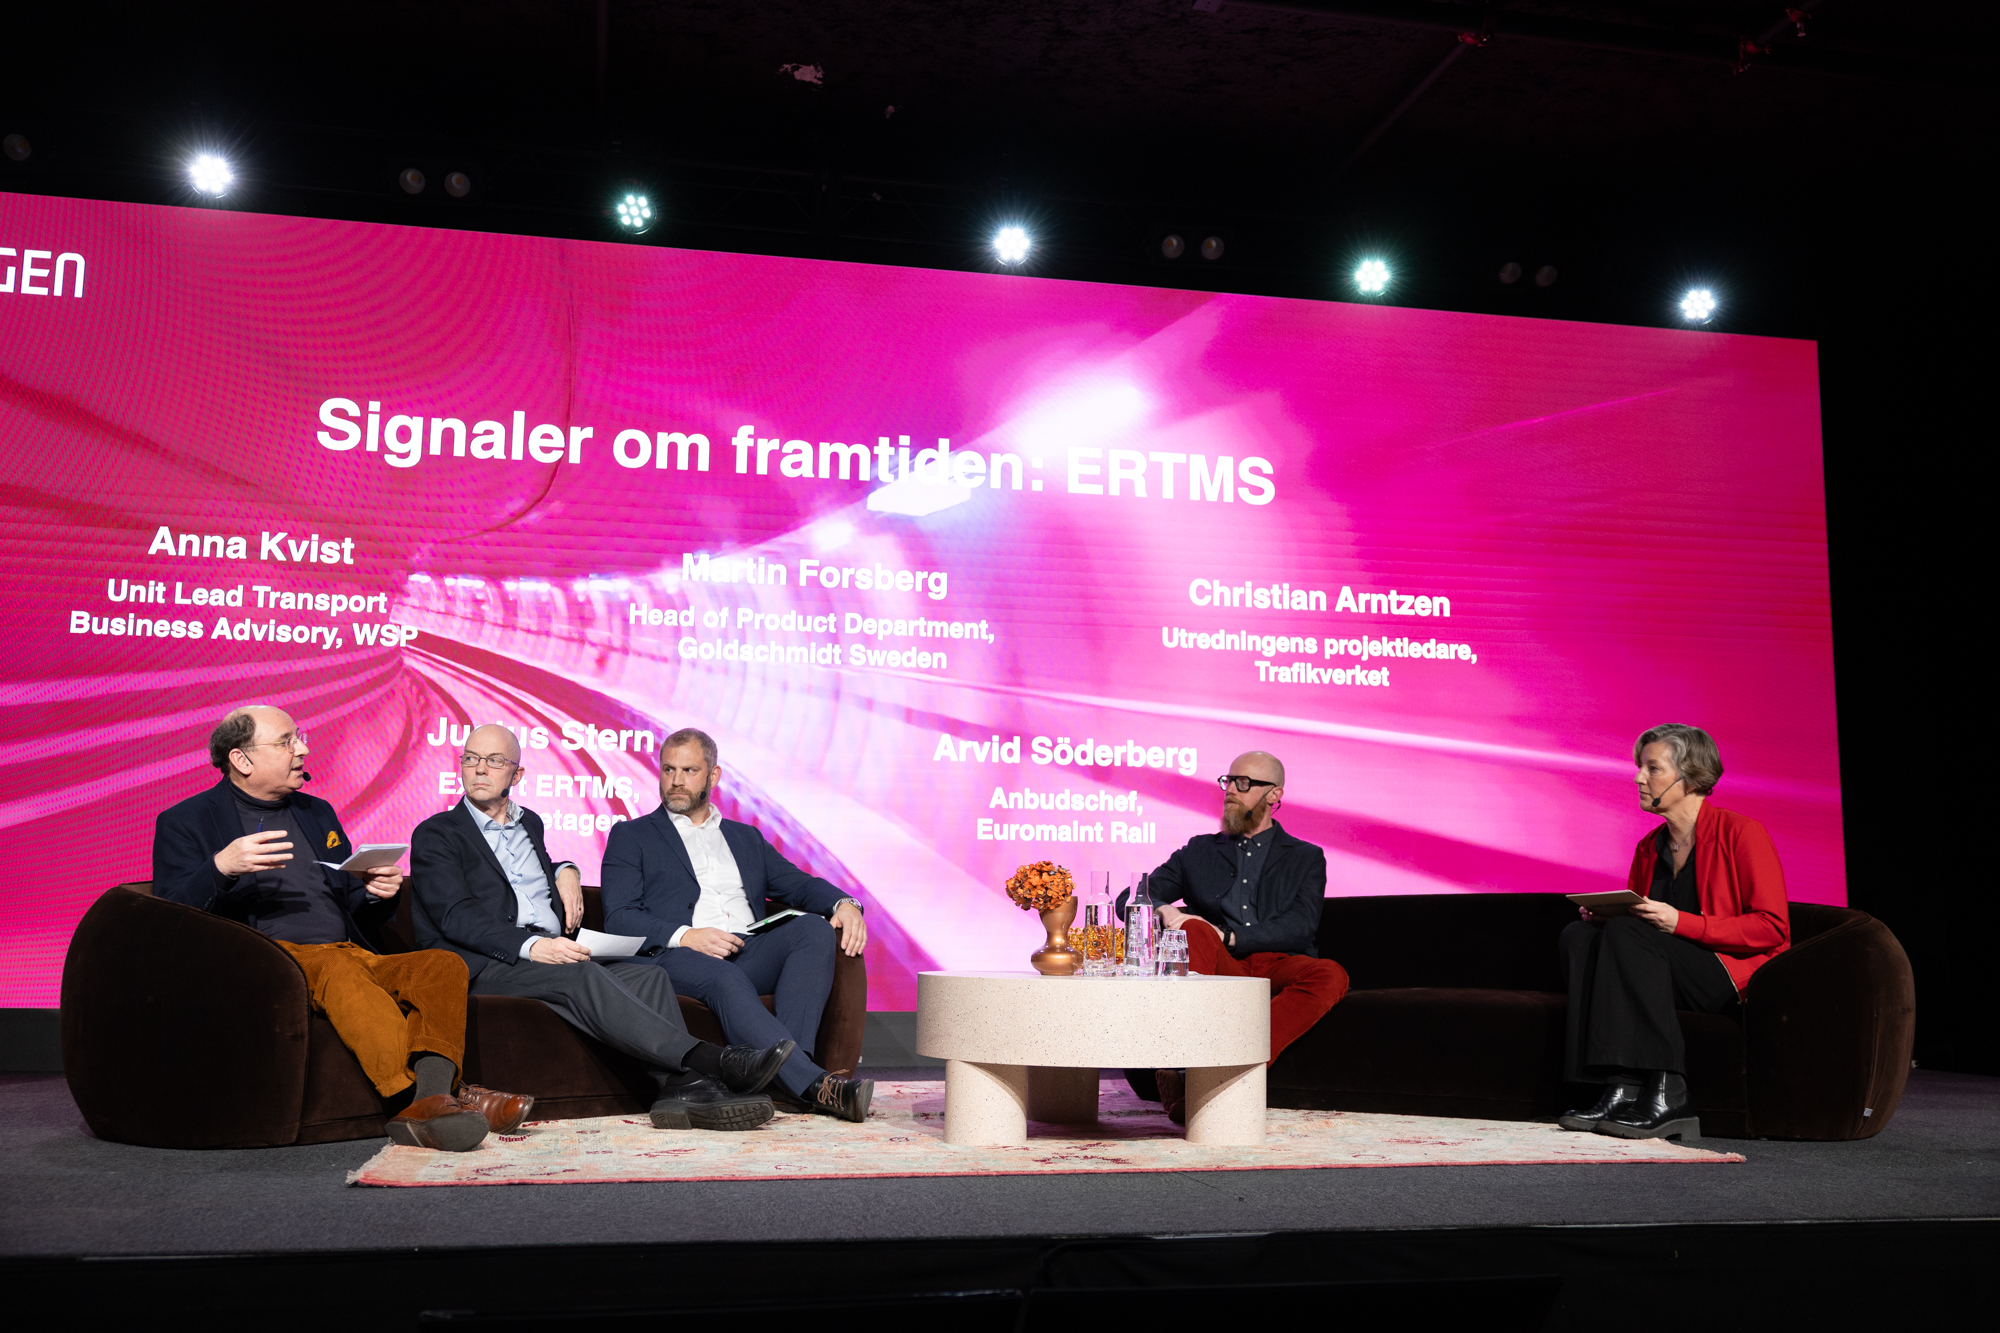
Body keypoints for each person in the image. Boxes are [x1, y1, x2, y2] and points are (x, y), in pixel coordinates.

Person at [153, 706, 529, 1152]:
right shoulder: (186, 820)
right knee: (337, 967)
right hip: (275, 961)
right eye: (287, 741)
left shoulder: (317, 812)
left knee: (442, 965)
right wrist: (221, 866)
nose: (302, 749)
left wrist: (373, 892)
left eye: (299, 737)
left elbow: (348, 897)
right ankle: (441, 1098)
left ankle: (431, 1101)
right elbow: (170, 918)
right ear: (242, 759)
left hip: (351, 951)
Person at [409, 725, 793, 1131]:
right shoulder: (437, 833)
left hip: (547, 950)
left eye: (494, 760)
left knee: (648, 975)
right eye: (471, 759)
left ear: (516, 775)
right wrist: (531, 945)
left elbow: (514, 879)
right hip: (487, 961)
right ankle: (713, 1062)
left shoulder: (530, 824)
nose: (480, 769)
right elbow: (456, 915)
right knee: (581, 974)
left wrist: (566, 869)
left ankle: (678, 1092)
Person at [601, 728, 874, 1123]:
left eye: (689, 770)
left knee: (814, 929)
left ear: (713, 776)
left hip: (747, 950)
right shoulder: (632, 835)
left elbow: (798, 884)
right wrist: (688, 936)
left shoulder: (745, 837)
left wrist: (845, 903)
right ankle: (813, 1085)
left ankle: (790, 1078)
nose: (676, 780)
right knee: (721, 976)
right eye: (668, 769)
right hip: (678, 955)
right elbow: (619, 916)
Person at [1558, 724, 1789, 1140]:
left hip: (1726, 972)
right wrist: (1607, 917)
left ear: (1692, 778)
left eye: (1653, 768)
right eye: (1640, 767)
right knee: (1580, 935)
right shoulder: (1649, 847)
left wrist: (1679, 921)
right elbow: (1638, 928)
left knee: (1626, 934)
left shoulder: (1742, 833)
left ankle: (1670, 1093)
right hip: (1664, 966)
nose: (1638, 778)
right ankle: (1618, 1087)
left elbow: (1771, 927)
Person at [1137, 749, 1350, 1122]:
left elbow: (1301, 926)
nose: (1231, 790)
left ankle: (1212, 1075)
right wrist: (1166, 910)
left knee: (1331, 973)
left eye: (1244, 783)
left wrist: (1230, 936)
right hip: (1222, 965)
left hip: (1278, 963)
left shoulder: (1306, 857)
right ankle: (1198, 1075)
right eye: (1228, 781)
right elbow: (1134, 896)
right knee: (1193, 930)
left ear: (1274, 794)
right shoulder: (1199, 850)